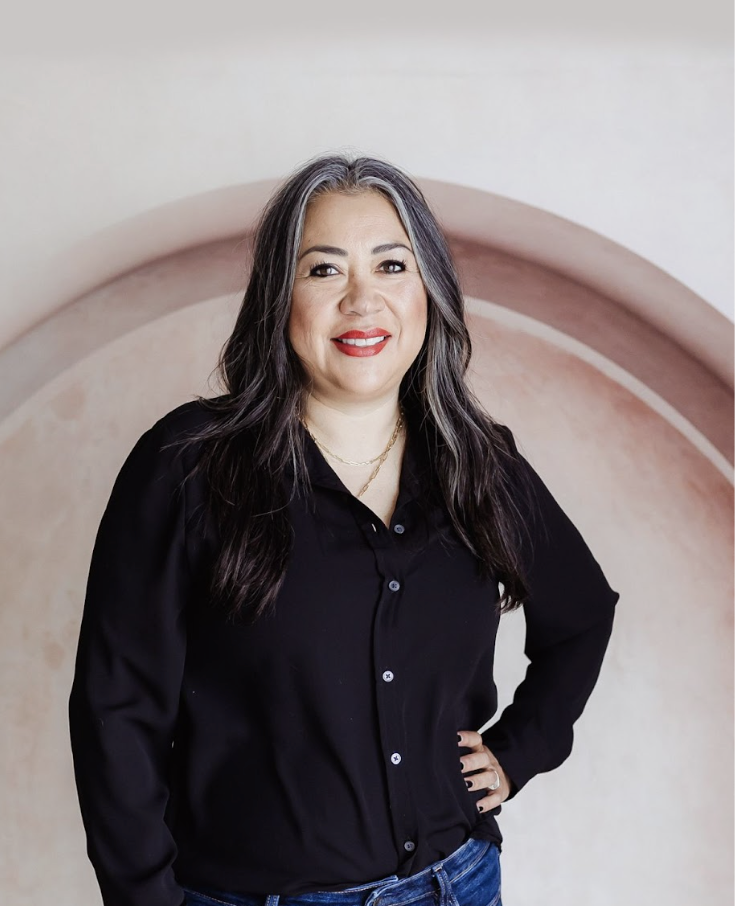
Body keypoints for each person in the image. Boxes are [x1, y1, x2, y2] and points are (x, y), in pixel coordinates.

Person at [68, 153, 620, 906]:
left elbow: (582, 615)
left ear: (428, 289)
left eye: (392, 266)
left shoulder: (478, 462)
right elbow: (116, 711)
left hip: (455, 885)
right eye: (324, 271)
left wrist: (519, 750)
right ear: (277, 298)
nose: (364, 301)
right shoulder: (187, 466)